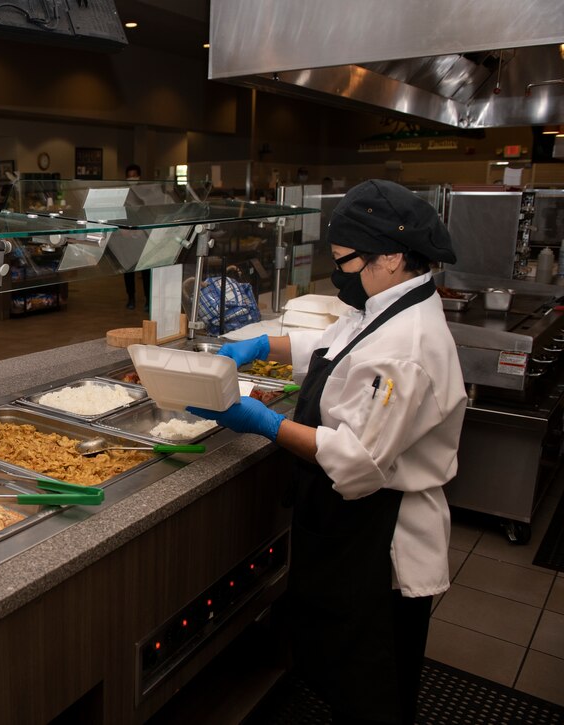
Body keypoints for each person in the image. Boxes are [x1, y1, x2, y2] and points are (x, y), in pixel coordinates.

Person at [188, 180, 466, 724]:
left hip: (382, 535)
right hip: (351, 527)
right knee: (340, 667)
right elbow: (336, 345)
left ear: (390, 255)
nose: (339, 273)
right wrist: (264, 344)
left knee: (374, 687)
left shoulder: (408, 346)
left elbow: (357, 460)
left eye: (345, 261)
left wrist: (262, 422)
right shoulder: (387, 300)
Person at [122, 163, 150, 309]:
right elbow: (120, 214)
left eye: (134, 176)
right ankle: (131, 297)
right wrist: (123, 230)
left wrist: (141, 230)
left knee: (146, 271)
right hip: (127, 236)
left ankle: (148, 299)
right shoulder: (123, 194)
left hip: (142, 236)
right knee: (129, 270)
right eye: (129, 176)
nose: (132, 179)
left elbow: (149, 214)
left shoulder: (145, 194)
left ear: (139, 177)